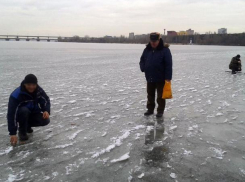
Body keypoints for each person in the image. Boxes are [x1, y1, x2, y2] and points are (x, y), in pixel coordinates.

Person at [7, 74, 51, 145]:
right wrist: (12, 133)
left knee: (46, 120)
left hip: (32, 112)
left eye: (33, 85)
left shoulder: (39, 90)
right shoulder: (16, 95)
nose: (31, 87)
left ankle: (27, 126)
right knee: (24, 110)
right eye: (29, 85)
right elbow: (11, 114)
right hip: (20, 115)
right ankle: (22, 131)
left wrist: (46, 110)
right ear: (24, 84)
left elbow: (46, 100)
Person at [139, 32, 172, 118]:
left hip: (161, 77)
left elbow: (168, 65)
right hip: (149, 76)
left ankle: (160, 111)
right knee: (150, 95)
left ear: (159, 40)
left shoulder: (165, 50)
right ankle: (150, 110)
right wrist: (143, 67)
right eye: (151, 41)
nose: (153, 43)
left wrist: (168, 78)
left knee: (160, 96)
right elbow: (142, 60)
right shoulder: (147, 49)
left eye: (155, 41)